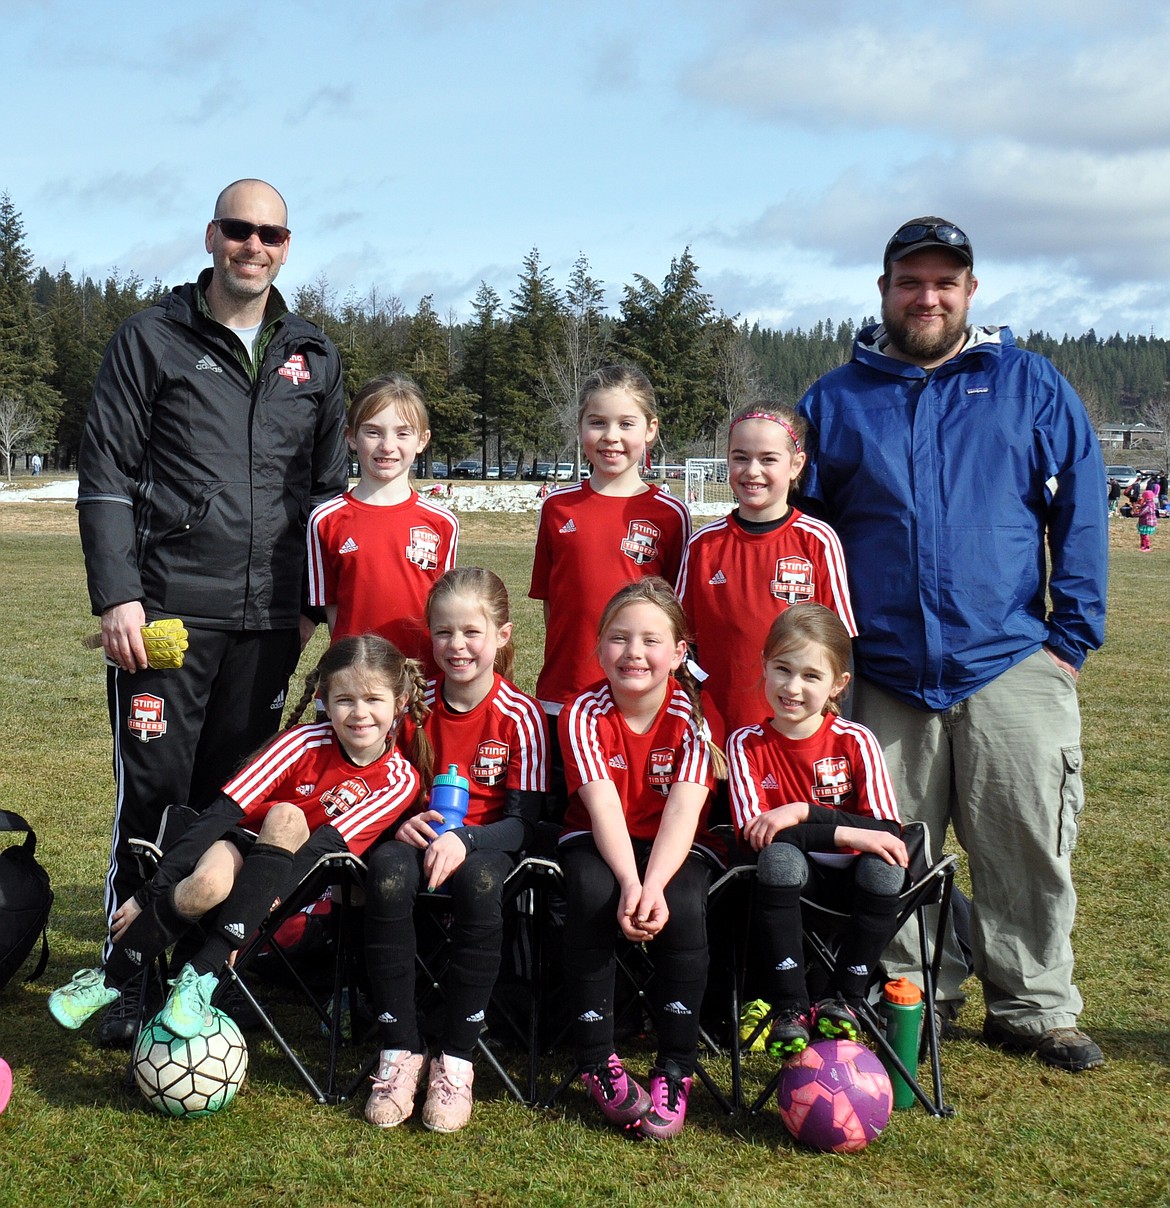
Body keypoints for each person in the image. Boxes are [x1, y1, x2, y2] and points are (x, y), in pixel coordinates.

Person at [797, 216, 1108, 1073]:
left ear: (971, 290)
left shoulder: (1029, 384)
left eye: (944, 281)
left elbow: (1080, 510)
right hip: (885, 671)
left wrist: (1070, 639)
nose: (925, 296)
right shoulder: (834, 400)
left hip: (1012, 661)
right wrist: (827, 663)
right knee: (895, 849)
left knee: (1027, 842)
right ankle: (916, 995)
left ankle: (1035, 1005)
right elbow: (804, 536)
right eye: (909, 280)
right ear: (884, 289)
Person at [75, 178, 348, 1043]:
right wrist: (119, 595)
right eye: (239, 229)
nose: (253, 246)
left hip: (268, 623)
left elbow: (327, 495)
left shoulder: (314, 354)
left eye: (270, 233)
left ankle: (203, 970)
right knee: (156, 794)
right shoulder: (151, 337)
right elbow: (107, 475)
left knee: (232, 799)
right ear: (211, 235)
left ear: (287, 245)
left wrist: (308, 606)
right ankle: (124, 976)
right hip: (166, 615)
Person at [48, 636, 431, 1044]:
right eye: (344, 700)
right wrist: (149, 893)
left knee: (288, 816)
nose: (359, 714)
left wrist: (250, 919)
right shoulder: (300, 743)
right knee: (207, 884)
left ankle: (202, 974)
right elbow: (222, 815)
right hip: (241, 843)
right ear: (323, 698)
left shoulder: (399, 780)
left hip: (296, 879)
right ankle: (108, 979)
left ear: (401, 701)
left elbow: (320, 852)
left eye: (374, 700)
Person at [363, 567, 548, 1133]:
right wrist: (403, 822)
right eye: (443, 633)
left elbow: (525, 827)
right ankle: (400, 1050)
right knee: (388, 875)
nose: (457, 646)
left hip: (488, 846)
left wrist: (464, 840)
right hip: (417, 839)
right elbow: (387, 787)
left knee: (481, 882)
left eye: (472, 632)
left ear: (503, 635)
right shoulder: (412, 708)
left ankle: (458, 1058)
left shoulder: (523, 715)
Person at [558, 577, 724, 1140]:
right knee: (593, 891)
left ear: (679, 653)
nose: (634, 654)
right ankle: (596, 1057)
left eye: (652, 641)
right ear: (599, 646)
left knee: (681, 902)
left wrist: (652, 887)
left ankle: (676, 1064)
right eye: (619, 638)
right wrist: (630, 883)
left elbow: (683, 812)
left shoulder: (699, 714)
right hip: (600, 838)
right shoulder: (582, 710)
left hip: (673, 845)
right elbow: (601, 807)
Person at [726, 605, 906, 1057]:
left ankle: (847, 998)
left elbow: (884, 831)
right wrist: (850, 833)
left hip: (854, 886)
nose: (792, 687)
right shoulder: (745, 743)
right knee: (779, 857)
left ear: (838, 685)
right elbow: (756, 833)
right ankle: (789, 1007)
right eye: (782, 669)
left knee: (885, 868)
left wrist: (803, 812)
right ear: (763, 664)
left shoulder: (855, 740)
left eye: (811, 676)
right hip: (786, 886)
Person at [675, 403, 855, 739]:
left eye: (768, 459)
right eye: (740, 457)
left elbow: (839, 647)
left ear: (796, 465)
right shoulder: (703, 545)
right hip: (719, 731)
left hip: (795, 733)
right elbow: (682, 646)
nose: (752, 471)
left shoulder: (818, 541)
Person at [529, 364, 692, 721]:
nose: (611, 436)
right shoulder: (558, 507)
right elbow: (552, 605)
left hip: (642, 697)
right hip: (565, 693)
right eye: (598, 422)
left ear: (650, 429)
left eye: (626, 424)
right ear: (580, 427)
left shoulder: (670, 514)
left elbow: (678, 614)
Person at [307, 374, 458, 666]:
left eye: (403, 433)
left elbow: (443, 608)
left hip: (422, 679)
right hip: (354, 678)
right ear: (351, 436)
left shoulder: (442, 522)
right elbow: (334, 613)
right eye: (373, 432)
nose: (387, 446)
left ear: (422, 440)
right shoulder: (325, 520)